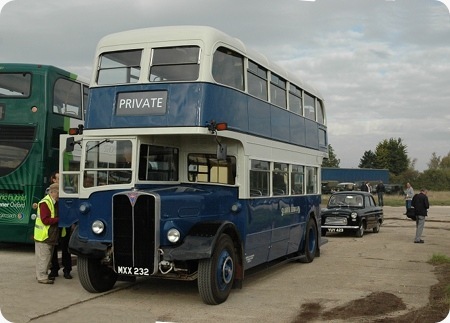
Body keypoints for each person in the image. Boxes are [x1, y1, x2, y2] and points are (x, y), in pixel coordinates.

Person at [34, 183, 65, 284]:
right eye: (59, 193)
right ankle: (42, 277)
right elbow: (45, 220)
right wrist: (59, 220)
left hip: (47, 235)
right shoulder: (45, 203)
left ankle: (41, 275)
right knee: (44, 257)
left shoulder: (51, 202)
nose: (60, 195)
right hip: (44, 235)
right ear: (53, 192)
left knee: (45, 258)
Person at [48, 172, 73, 280]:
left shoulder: (67, 190)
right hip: (54, 224)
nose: (60, 180)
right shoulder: (49, 191)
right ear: (53, 180)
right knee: (53, 248)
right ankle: (54, 269)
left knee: (65, 247)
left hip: (64, 224)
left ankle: (67, 270)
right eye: (58, 178)